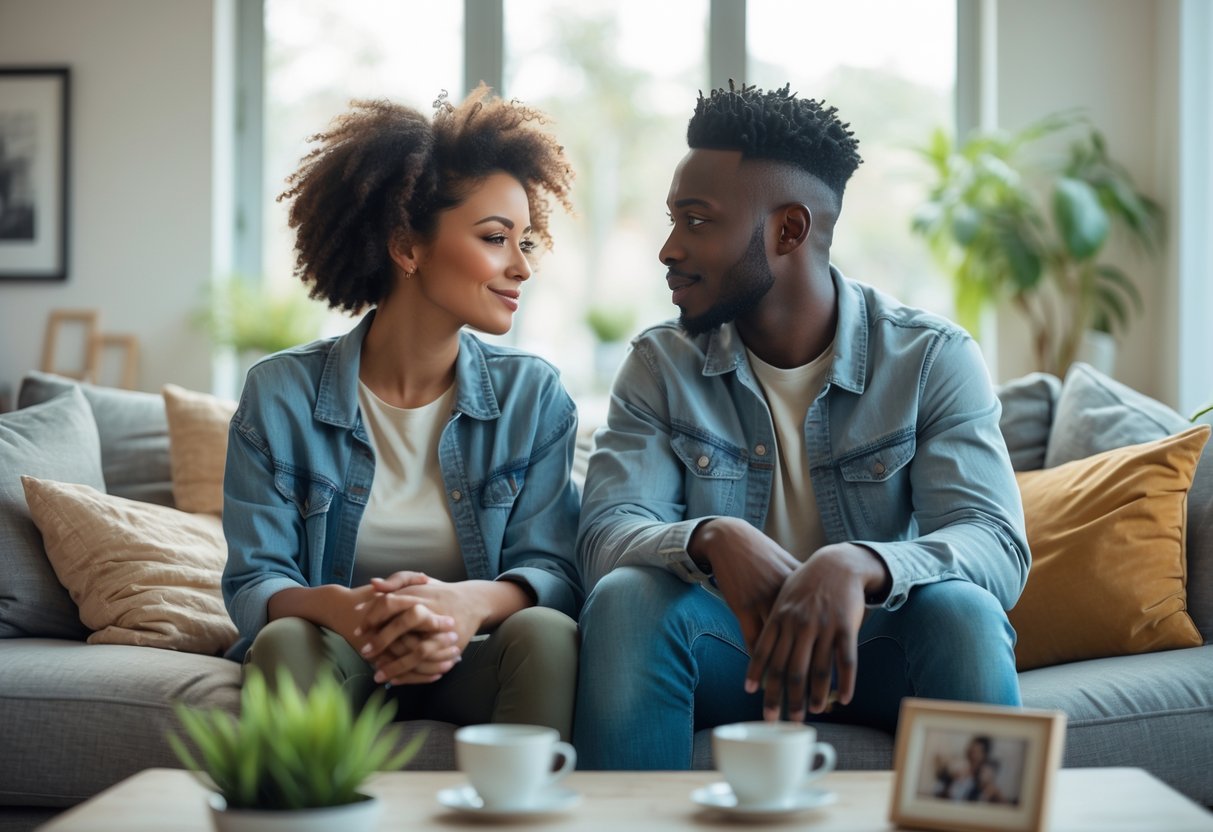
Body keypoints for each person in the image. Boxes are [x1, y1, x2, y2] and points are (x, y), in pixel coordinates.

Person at [573, 82, 1030, 768]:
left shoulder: (930, 357)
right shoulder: (659, 364)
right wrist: (710, 537)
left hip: (872, 648)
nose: (668, 248)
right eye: (673, 220)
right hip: (728, 652)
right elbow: (605, 535)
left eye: (696, 220)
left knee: (961, 616)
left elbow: (993, 542)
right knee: (627, 600)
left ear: (789, 230)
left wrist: (861, 563)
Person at [221, 84, 582, 740]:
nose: (520, 267)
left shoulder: (534, 398)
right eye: (496, 238)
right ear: (407, 247)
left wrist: (465, 605)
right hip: (343, 654)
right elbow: (254, 580)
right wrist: (340, 609)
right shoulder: (279, 395)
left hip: (475, 655)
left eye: (525, 241)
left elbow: (553, 571)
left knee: (546, 633)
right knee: (283, 641)